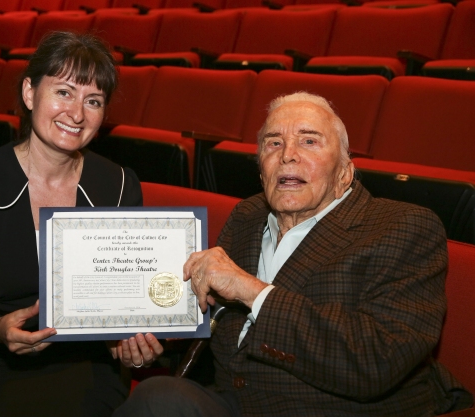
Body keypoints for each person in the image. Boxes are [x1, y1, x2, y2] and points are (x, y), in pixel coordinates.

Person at [113, 92, 473, 417]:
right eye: (273, 143)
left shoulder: (404, 227)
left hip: (336, 409)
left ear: (345, 172)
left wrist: (252, 291)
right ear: (260, 168)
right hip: (240, 400)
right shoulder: (248, 216)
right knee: (157, 397)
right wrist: (154, 347)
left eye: (309, 141)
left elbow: (376, 362)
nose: (287, 155)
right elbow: (212, 325)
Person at [0, 31, 163, 417]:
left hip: (84, 363)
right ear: (30, 93)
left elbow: (125, 298)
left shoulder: (119, 184)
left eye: (93, 101)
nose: (77, 114)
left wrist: (128, 341)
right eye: (64, 92)